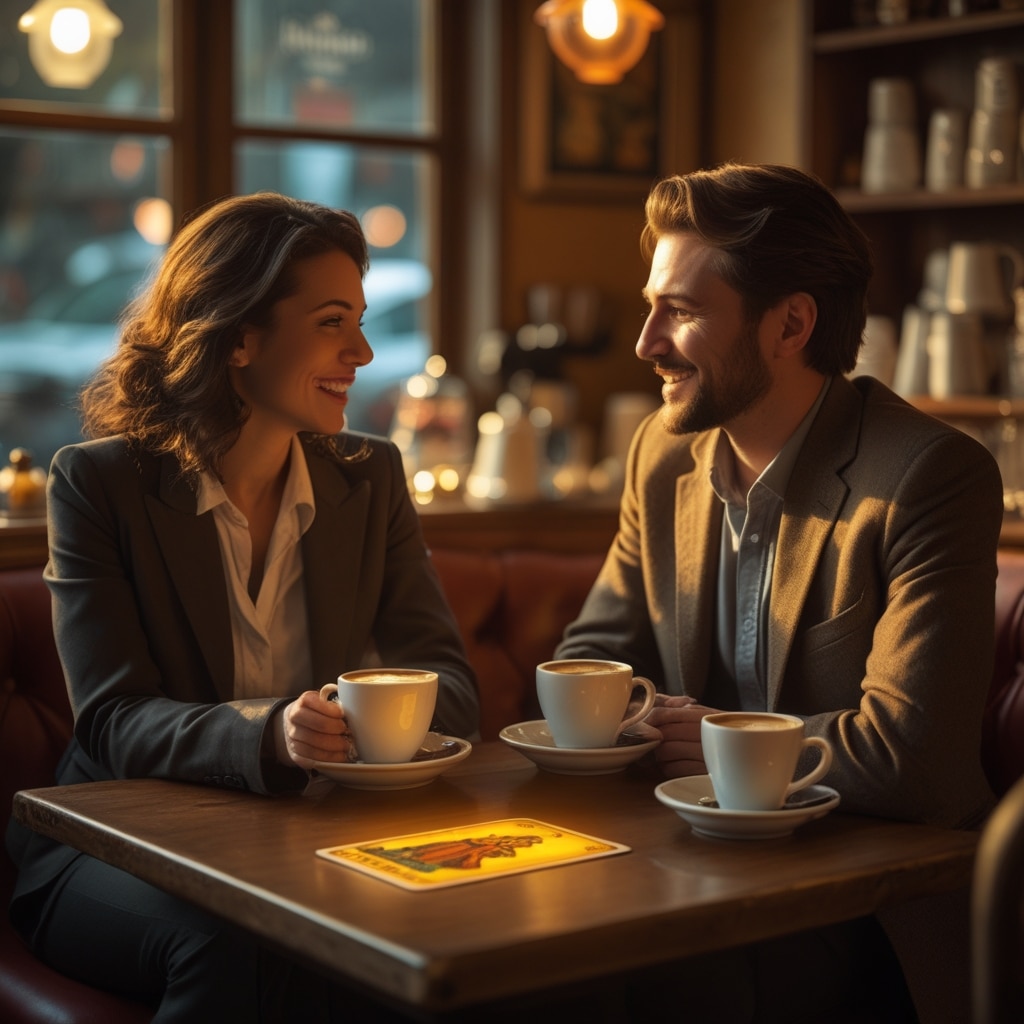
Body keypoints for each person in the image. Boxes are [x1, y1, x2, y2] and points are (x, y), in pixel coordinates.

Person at [6, 191, 479, 1021]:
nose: (363, 351)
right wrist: (270, 734)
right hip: (113, 849)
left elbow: (452, 684)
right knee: (234, 940)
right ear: (238, 336)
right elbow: (111, 720)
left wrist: (374, 723)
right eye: (334, 321)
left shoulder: (370, 478)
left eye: (361, 320)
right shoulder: (99, 485)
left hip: (305, 844)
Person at [554, 162, 1004, 1022]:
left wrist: (713, 739)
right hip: (690, 864)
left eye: (680, 312)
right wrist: (615, 715)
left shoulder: (929, 475)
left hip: (868, 898)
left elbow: (914, 762)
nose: (646, 342)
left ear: (791, 323)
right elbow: (594, 657)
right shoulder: (660, 451)